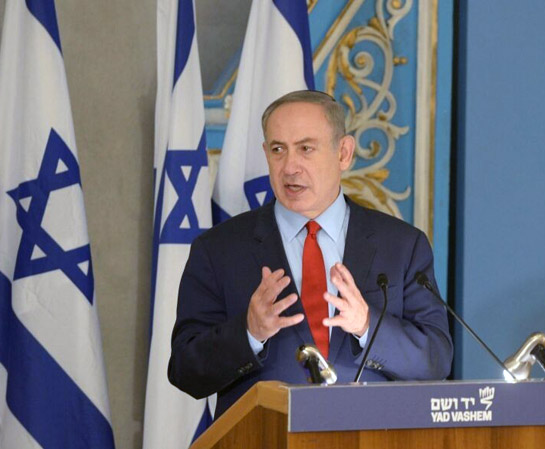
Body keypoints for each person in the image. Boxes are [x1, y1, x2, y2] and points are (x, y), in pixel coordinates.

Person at [168, 90, 452, 419]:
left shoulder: (402, 246)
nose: (290, 167)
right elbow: (185, 370)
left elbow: (435, 360)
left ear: (343, 153)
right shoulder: (219, 249)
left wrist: (367, 326)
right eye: (278, 150)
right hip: (260, 445)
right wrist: (249, 333)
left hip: (371, 442)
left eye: (306, 148)